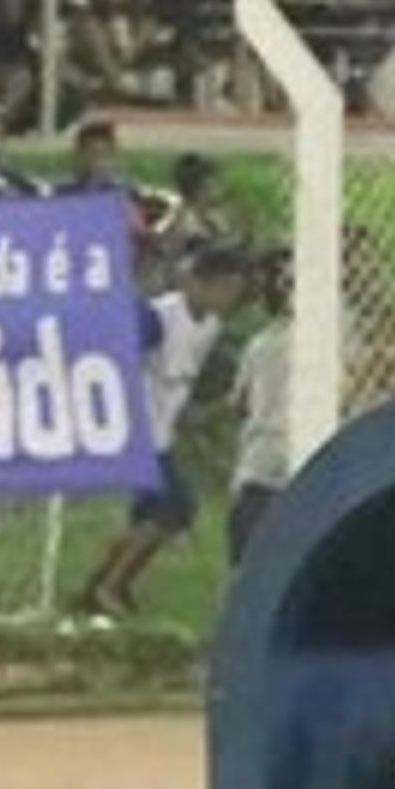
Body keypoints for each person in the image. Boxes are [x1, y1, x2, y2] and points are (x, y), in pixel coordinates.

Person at [75, 246, 252, 622]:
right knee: (178, 507)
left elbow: (181, 382)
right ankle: (111, 586)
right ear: (199, 283)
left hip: (163, 431)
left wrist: (191, 420)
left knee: (146, 519)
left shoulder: (210, 328)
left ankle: (99, 587)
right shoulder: (159, 317)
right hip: (140, 432)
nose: (226, 297)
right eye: (220, 287)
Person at [224, 252, 294, 567]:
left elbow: (238, 402)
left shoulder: (260, 344)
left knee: (246, 561)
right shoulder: (339, 334)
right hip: (305, 456)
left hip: (261, 457)